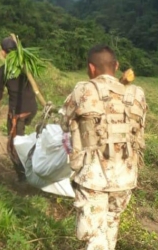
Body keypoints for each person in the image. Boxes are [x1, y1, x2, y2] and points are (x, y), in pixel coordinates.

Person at [60, 45, 147, 250]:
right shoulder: (137, 94)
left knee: (94, 237)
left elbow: (64, 122)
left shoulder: (83, 90)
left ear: (91, 68)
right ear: (116, 66)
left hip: (94, 177)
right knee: (110, 226)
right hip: (125, 177)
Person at [0, 36, 38, 182]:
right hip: (32, 109)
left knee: (13, 146)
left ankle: (23, 178)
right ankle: (29, 166)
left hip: (17, 114)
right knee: (22, 137)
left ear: (3, 52)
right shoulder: (27, 65)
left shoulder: (3, 71)